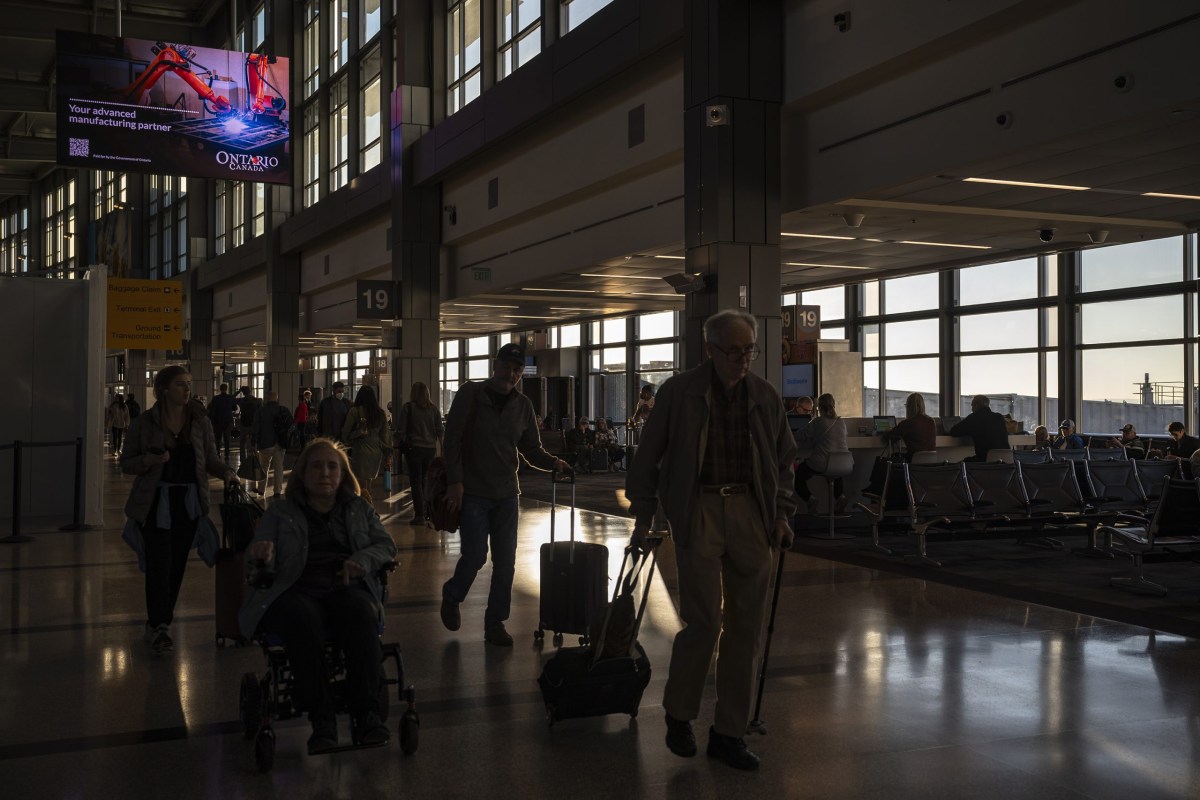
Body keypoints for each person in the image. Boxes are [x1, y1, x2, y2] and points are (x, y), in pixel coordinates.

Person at [625, 309, 795, 771]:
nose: (743, 360)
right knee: (704, 622)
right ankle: (680, 715)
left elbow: (784, 461)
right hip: (698, 508)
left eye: (749, 351)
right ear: (710, 350)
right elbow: (648, 458)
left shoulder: (763, 395)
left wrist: (780, 513)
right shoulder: (679, 392)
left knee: (746, 628)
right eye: (734, 351)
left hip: (750, 514)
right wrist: (644, 514)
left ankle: (729, 732)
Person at [239, 438, 397, 754]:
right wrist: (262, 555)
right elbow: (255, 559)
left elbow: (386, 546)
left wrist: (361, 561)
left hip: (344, 586)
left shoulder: (358, 508)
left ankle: (367, 715)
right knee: (302, 618)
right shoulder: (281, 511)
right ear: (302, 473)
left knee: (359, 614)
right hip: (296, 590)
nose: (324, 473)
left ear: (342, 474)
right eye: (316, 466)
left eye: (332, 466)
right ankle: (322, 717)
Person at [439, 343, 568, 647]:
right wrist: (455, 482)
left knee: (506, 562)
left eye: (517, 371)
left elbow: (530, 448)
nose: (510, 375)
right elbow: (452, 439)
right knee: (474, 556)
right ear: (494, 365)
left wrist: (553, 463)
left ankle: (495, 623)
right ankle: (453, 594)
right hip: (473, 492)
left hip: (507, 494)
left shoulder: (523, 405)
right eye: (506, 367)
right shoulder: (471, 394)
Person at [120, 365, 237, 654]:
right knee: (159, 564)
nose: (187, 390)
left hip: (187, 505)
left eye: (188, 383)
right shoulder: (145, 423)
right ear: (164, 390)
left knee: (176, 565)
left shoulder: (199, 422)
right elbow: (127, 463)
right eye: (180, 385)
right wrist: (148, 460)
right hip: (155, 504)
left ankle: (160, 622)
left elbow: (209, 458)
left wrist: (227, 472)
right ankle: (159, 625)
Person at [395, 381, 443, 525]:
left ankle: (419, 515)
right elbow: (440, 431)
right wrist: (442, 450)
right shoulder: (434, 409)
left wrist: (397, 445)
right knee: (426, 481)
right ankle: (428, 512)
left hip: (414, 449)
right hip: (430, 450)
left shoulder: (408, 408)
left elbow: (401, 431)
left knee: (416, 482)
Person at [794, 393, 850, 515]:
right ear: (834, 405)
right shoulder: (841, 422)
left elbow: (801, 436)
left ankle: (810, 499)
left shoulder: (818, 421)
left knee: (797, 476)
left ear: (819, 407)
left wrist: (793, 430)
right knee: (834, 472)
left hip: (822, 463)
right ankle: (840, 496)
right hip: (844, 463)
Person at [341, 386, 391, 505]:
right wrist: (387, 454)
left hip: (360, 450)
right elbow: (385, 436)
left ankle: (367, 510)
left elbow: (345, 433)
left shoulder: (355, 411)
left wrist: (353, 437)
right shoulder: (380, 413)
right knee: (368, 483)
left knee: (361, 485)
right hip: (376, 451)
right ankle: (369, 508)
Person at [950, 394, 1009, 462]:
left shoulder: (974, 418)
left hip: (984, 462)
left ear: (977, 405)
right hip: (1005, 463)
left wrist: (970, 431)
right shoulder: (999, 417)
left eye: (972, 405)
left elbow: (954, 431)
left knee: (961, 466)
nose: (971, 409)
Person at [252, 391, 289, 498]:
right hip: (279, 444)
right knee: (279, 468)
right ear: (277, 398)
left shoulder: (260, 411)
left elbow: (256, 428)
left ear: (267, 398)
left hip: (264, 444)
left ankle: (261, 489)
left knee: (263, 467)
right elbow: (291, 425)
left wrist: (253, 443)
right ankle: (277, 491)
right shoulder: (283, 410)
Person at [883, 392, 936, 459]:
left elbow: (888, 436)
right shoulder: (931, 421)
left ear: (909, 407)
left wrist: (888, 430)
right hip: (931, 465)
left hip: (913, 464)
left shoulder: (907, 423)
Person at [208, 383, 236, 462]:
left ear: (220, 389)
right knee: (227, 438)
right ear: (226, 389)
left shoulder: (216, 398)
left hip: (218, 421)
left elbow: (212, 410)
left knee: (218, 438)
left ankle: (218, 452)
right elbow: (235, 407)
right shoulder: (230, 398)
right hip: (228, 421)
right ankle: (227, 454)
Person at [235, 386, 262, 460]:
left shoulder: (241, 400)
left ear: (243, 393)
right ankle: (254, 458)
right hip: (254, 424)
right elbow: (260, 413)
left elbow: (231, 398)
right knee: (254, 441)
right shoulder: (257, 401)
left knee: (242, 443)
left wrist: (238, 391)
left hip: (244, 424)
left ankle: (243, 459)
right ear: (250, 391)